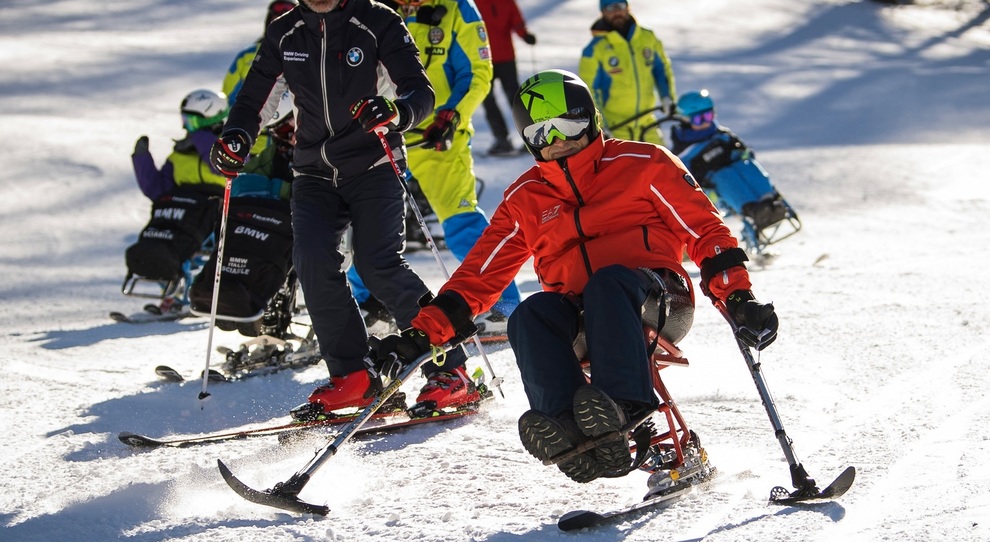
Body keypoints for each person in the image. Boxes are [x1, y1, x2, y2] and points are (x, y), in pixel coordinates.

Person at [368, 70, 778, 484]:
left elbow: (705, 230)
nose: (557, 140)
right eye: (542, 132)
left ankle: (624, 409)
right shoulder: (525, 198)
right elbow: (479, 275)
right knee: (531, 314)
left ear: (592, 120)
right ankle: (569, 429)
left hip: (657, 298)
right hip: (583, 315)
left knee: (609, 283)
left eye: (568, 124)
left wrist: (739, 297)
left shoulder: (643, 164)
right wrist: (423, 335)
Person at [210, 0, 475, 417]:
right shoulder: (285, 31)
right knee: (312, 261)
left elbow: (419, 91)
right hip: (314, 171)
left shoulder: (377, 21)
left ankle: (452, 372)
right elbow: (252, 99)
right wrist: (238, 137)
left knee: (378, 263)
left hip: (373, 162)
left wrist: (397, 111)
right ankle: (355, 376)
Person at [366, 0, 522, 341]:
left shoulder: (458, 10)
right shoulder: (377, 8)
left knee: (461, 223)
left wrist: (453, 114)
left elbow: (478, 73)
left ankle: (504, 306)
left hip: (438, 138)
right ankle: (369, 307)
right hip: (384, 136)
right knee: (369, 226)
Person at [125, 89, 229, 314]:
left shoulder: (230, 148)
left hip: (213, 217)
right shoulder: (179, 156)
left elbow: (217, 165)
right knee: (161, 241)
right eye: (184, 120)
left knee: (188, 242)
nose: (185, 127)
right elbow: (157, 190)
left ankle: (191, 297)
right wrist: (142, 160)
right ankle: (172, 294)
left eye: (190, 121)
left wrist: (200, 136)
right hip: (180, 214)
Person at [670, 89, 792, 239]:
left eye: (708, 116)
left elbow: (742, 150)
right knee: (725, 176)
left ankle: (769, 200)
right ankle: (752, 209)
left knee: (747, 166)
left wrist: (741, 153)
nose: (705, 123)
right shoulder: (683, 150)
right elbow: (684, 176)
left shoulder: (722, 135)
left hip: (735, 169)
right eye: (699, 120)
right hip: (711, 189)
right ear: (686, 121)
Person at [578, 0, 676, 144]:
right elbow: (589, 92)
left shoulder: (647, 38)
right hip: (616, 129)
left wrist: (667, 97)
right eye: (610, 8)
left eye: (620, 6)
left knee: (665, 165)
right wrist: (599, 125)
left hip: (648, 123)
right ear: (603, 12)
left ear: (628, 7)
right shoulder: (594, 50)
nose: (616, 11)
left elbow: (661, 70)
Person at [221, 0, 298, 156]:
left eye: (287, 17)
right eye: (277, 18)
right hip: (252, 144)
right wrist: (238, 128)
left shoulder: (310, 53)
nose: (282, 23)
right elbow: (229, 95)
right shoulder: (247, 55)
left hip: (293, 140)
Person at [475, 0, 537, 156]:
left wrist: (525, 35)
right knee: (492, 99)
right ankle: (503, 139)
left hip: (501, 58)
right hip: (485, 59)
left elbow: (516, 21)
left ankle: (530, 136)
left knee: (513, 98)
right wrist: (524, 35)